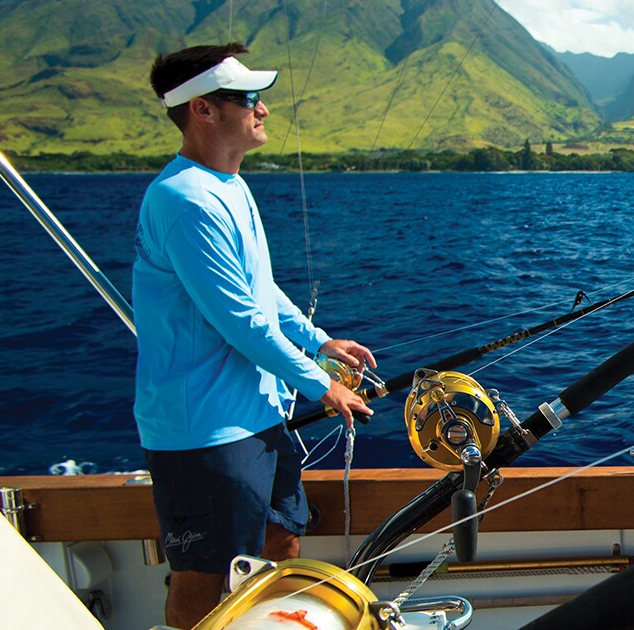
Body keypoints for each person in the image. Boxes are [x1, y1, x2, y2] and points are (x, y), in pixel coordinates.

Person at [134, 43, 375, 627]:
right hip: (206, 433)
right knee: (204, 578)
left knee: (281, 549)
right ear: (203, 111)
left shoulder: (229, 186)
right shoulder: (186, 200)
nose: (262, 109)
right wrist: (322, 385)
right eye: (247, 99)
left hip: (258, 416)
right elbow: (239, 318)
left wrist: (318, 341)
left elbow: (262, 293)